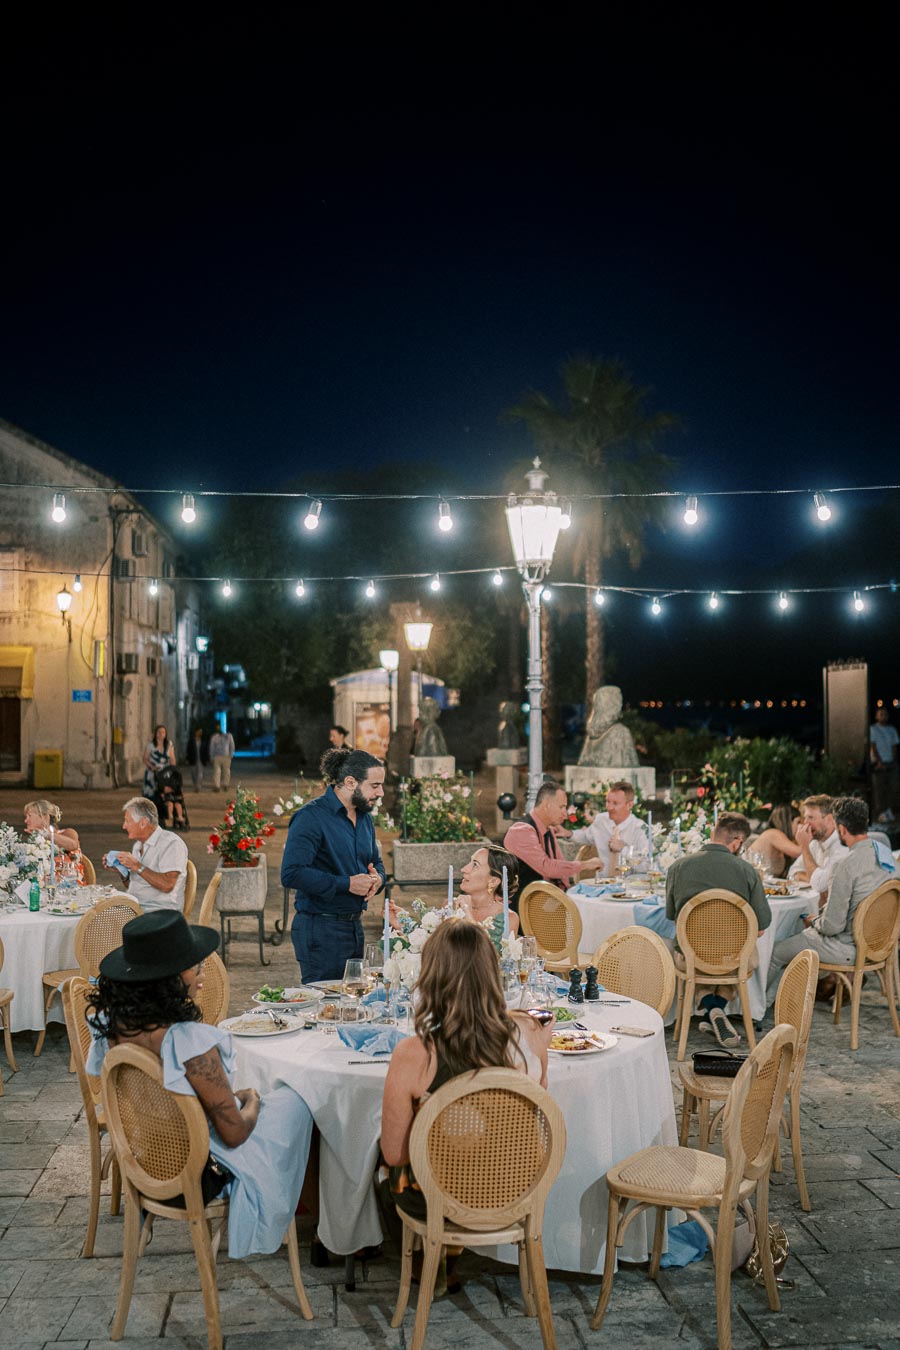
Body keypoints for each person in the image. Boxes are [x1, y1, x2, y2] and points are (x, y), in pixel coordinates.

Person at [85, 910, 313, 1258]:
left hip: (149, 1157)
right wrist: (251, 1099)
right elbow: (234, 1134)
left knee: (282, 1103)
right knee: (298, 1102)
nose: (202, 978)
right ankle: (306, 1214)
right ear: (171, 979)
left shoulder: (109, 1026)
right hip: (200, 1171)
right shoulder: (189, 1042)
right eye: (197, 969)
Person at [381, 921, 552, 1290]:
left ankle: (428, 1263)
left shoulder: (414, 1054)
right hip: (516, 1187)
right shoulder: (532, 1036)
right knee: (469, 1148)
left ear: (431, 977)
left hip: (439, 1199)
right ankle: (447, 1261)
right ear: (493, 973)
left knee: (382, 1167)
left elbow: (395, 1155)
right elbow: (536, 1116)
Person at [767, 796, 896, 1003]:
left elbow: (831, 927)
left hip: (848, 948)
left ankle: (758, 1010)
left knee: (775, 952)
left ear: (841, 829)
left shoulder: (844, 866)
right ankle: (793, 999)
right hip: (880, 945)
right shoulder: (886, 856)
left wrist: (813, 920)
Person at [665, 811, 771, 1047]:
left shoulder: (677, 867)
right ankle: (717, 1008)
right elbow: (762, 927)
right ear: (737, 842)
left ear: (713, 833)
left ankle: (710, 1008)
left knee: (691, 952)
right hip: (733, 958)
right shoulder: (747, 871)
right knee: (742, 954)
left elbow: (673, 917)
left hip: (690, 958)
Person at [281, 748, 386, 982]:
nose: (381, 792)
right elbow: (291, 874)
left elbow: (376, 862)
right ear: (350, 782)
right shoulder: (311, 817)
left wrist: (378, 878)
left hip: (354, 926)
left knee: (350, 1006)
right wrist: (347, 883)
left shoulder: (364, 817)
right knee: (325, 1008)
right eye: (375, 785)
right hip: (320, 928)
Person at [389, 846, 522, 949]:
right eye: (470, 862)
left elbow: (490, 960)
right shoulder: (450, 907)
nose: (464, 869)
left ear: (493, 881)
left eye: (475, 865)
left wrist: (467, 913)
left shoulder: (508, 918)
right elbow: (430, 948)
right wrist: (402, 924)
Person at [503, 782, 601, 905]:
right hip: (521, 911)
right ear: (546, 805)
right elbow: (547, 867)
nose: (565, 814)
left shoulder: (548, 829)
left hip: (544, 904)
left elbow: (559, 866)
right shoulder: (521, 831)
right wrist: (585, 865)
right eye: (561, 807)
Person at [103, 796, 189, 913]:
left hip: (162, 914)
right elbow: (138, 886)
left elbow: (167, 885)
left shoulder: (171, 844)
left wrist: (137, 866)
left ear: (143, 823)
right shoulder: (138, 845)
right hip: (138, 909)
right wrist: (121, 871)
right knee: (95, 913)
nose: (124, 826)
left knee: (101, 922)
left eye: (127, 821)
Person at [569, 780, 650, 877]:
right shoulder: (601, 820)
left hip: (630, 887)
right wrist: (567, 833)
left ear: (630, 805)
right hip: (602, 885)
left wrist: (624, 850)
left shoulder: (641, 828)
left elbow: (647, 865)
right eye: (608, 802)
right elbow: (586, 836)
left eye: (615, 803)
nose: (609, 807)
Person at [787, 794, 847, 897]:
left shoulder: (842, 846)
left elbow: (818, 885)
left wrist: (804, 847)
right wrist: (811, 878)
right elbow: (792, 873)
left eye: (811, 817)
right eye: (805, 818)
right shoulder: (815, 843)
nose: (806, 823)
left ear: (829, 819)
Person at [746, 804, 801, 878]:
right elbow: (798, 852)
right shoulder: (773, 833)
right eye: (798, 822)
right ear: (788, 822)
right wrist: (805, 838)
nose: (801, 826)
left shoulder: (785, 842)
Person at [870, 707, 899, 824]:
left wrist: (894, 760)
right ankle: (880, 812)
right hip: (879, 763)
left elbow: (894, 746)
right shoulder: (873, 729)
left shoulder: (892, 730)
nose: (883, 716)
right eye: (881, 714)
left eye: (885, 714)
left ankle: (889, 810)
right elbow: (873, 746)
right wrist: (878, 761)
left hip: (891, 762)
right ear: (877, 716)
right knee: (879, 788)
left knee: (893, 787)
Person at [142, 724, 176, 800]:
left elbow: (172, 759)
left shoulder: (169, 745)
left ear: (166, 734)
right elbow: (145, 758)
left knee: (165, 795)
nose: (161, 734)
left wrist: (173, 770)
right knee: (151, 795)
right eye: (159, 732)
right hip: (152, 773)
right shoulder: (150, 745)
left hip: (165, 772)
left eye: (163, 732)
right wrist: (152, 766)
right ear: (155, 734)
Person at [209, 726, 235, 792]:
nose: (219, 729)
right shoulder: (214, 737)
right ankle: (217, 786)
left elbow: (232, 746)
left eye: (219, 727)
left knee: (226, 771)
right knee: (216, 772)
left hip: (226, 756)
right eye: (217, 728)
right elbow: (211, 747)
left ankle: (226, 785)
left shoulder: (228, 736)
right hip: (217, 756)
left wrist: (231, 755)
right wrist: (212, 757)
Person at [185, 727, 209, 792]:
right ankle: (195, 784)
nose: (200, 733)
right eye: (199, 731)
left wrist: (207, 759)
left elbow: (206, 750)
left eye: (201, 732)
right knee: (193, 773)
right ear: (196, 732)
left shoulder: (203, 741)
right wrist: (187, 759)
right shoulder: (191, 741)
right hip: (193, 759)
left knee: (200, 773)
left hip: (201, 759)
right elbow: (188, 750)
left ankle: (198, 786)